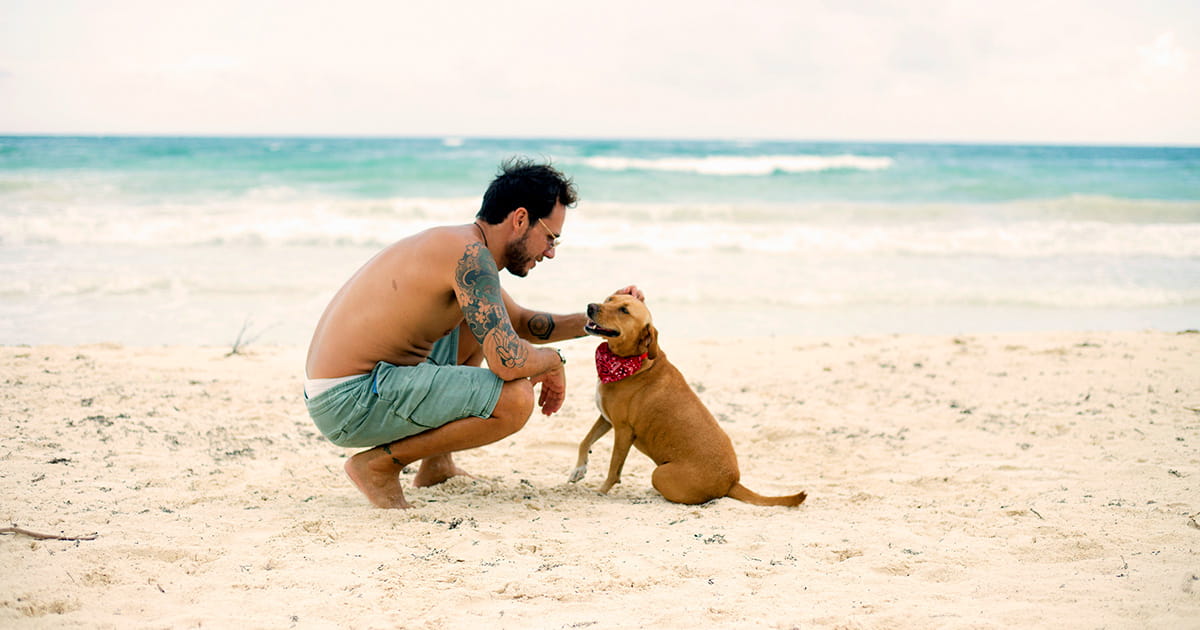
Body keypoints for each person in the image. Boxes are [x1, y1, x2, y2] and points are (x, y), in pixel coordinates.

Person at [304, 157, 642, 508]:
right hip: (349, 400)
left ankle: (437, 465)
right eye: (550, 237)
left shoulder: (462, 246)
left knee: (478, 322)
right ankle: (377, 466)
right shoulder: (470, 257)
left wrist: (607, 319)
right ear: (521, 219)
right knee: (515, 400)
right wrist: (551, 361)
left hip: (355, 387)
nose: (551, 252)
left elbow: (524, 323)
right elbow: (508, 361)